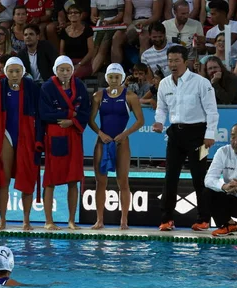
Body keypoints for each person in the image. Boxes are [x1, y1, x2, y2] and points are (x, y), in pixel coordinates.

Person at [152, 45, 219, 232]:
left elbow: (212, 111)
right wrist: (158, 122)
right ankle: (166, 219)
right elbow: (161, 108)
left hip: (198, 135)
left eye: (176, 61)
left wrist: (210, 135)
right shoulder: (164, 83)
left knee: (200, 177)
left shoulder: (201, 82)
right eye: (170, 61)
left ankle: (204, 218)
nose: (172, 64)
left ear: (186, 61)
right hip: (175, 134)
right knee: (170, 176)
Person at [0, 56, 43, 231]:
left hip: (27, 135)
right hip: (6, 134)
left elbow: (40, 115)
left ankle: (26, 220)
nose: (14, 74)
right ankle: (2, 220)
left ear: (23, 72)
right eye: (11, 71)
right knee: (3, 180)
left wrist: (39, 139)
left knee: (27, 178)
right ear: (6, 72)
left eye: (18, 71)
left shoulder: (32, 87)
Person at [88, 63, 145, 230]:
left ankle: (124, 220)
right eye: (111, 77)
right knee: (101, 182)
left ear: (122, 78)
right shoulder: (98, 96)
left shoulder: (131, 97)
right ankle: (99, 220)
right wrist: (101, 133)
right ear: (106, 78)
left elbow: (140, 121)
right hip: (103, 141)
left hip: (122, 142)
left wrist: (124, 134)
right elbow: (91, 120)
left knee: (123, 181)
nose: (113, 80)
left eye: (117, 77)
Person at [40, 55, 90, 230]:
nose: (65, 73)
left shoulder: (80, 86)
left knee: (73, 179)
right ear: (56, 70)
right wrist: (70, 115)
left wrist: (72, 121)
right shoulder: (47, 87)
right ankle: (48, 221)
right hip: (55, 135)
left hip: (74, 134)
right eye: (61, 69)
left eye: (68, 69)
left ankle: (71, 220)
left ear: (72, 71)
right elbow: (44, 114)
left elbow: (86, 111)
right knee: (50, 179)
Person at [58, 4, 94, 79]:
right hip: (68, 62)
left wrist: (80, 64)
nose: (73, 14)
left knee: (72, 75)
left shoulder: (87, 30)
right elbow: (61, 52)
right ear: (68, 16)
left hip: (83, 63)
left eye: (76, 12)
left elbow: (91, 52)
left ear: (81, 15)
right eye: (70, 13)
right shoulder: (64, 31)